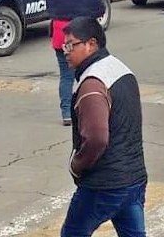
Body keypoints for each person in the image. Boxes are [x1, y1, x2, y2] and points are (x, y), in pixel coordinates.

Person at [59, 17, 147, 237]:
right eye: (63, 46)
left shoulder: (92, 83)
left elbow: (97, 138)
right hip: (134, 178)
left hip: (103, 184)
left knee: (72, 233)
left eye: (71, 45)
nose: (66, 51)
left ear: (91, 44)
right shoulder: (120, 69)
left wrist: (76, 166)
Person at [46, 0, 106, 125]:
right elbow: (100, 9)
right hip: (84, 36)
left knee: (66, 76)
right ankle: (87, 109)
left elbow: (49, 9)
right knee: (89, 74)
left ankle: (66, 112)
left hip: (61, 35)